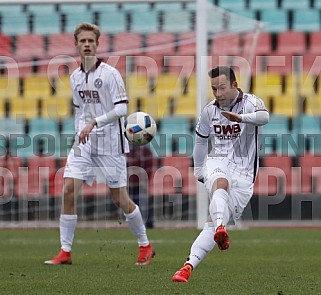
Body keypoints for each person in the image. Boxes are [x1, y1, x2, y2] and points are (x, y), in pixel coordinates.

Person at [44, 22, 155, 266]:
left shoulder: (110, 74)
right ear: (76, 44)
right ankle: (65, 251)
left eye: (90, 41)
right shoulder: (74, 77)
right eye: (82, 41)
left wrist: (95, 122)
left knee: (120, 199)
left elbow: (122, 108)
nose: (86, 44)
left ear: (97, 44)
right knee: (68, 190)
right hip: (84, 144)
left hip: (110, 145)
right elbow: (79, 111)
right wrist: (79, 134)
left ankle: (145, 245)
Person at [172, 66, 269, 282]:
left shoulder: (251, 103)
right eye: (214, 88)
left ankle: (188, 266)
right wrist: (198, 169)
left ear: (235, 85)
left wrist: (241, 119)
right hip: (218, 161)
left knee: (210, 222)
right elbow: (200, 140)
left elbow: (265, 117)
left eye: (222, 88)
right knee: (220, 184)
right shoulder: (209, 111)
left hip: (244, 175)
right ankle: (220, 228)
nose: (218, 93)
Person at [127, 143, 155, 228]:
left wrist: (146, 178)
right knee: (133, 203)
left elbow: (149, 164)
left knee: (142, 202)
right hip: (130, 183)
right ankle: (136, 224)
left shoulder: (145, 151)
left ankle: (149, 223)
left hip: (141, 182)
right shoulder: (128, 150)